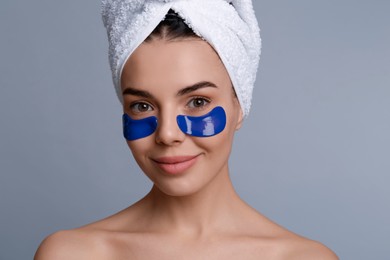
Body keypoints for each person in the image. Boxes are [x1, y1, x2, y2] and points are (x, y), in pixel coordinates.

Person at [35, 1, 338, 259]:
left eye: (197, 101)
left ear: (239, 106)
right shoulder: (72, 253)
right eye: (142, 106)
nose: (167, 134)